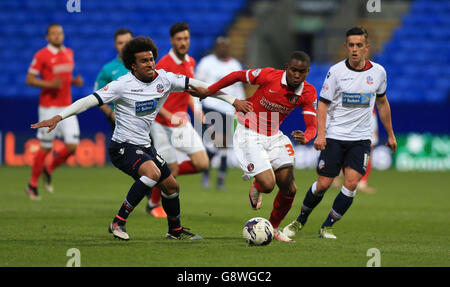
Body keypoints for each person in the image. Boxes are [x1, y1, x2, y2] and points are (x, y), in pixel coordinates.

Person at [30, 36, 252, 241]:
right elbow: (89, 100)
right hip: (122, 147)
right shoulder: (122, 85)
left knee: (172, 187)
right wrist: (59, 117)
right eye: (144, 60)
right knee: (153, 174)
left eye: (152, 59)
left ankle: (175, 231)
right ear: (133, 65)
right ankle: (118, 222)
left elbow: (201, 85)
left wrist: (233, 101)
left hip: (145, 146)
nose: (150, 63)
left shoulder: (164, 79)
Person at [187, 51, 318, 242]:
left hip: (274, 135)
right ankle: (258, 183)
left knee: (289, 187)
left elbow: (312, 123)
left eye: (302, 71)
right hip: (249, 132)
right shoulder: (269, 75)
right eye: (294, 70)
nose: (297, 75)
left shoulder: (308, 91)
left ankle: (273, 228)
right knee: (268, 185)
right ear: (286, 67)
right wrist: (209, 91)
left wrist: (307, 136)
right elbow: (237, 76)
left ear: (308, 72)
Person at [282, 27, 397, 239]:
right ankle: (300, 220)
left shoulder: (379, 73)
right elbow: (323, 105)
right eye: (351, 45)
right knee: (324, 184)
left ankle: (327, 226)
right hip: (334, 135)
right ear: (346, 47)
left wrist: (390, 134)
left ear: (366, 48)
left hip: (361, 138)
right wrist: (321, 134)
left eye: (359, 45)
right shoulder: (335, 72)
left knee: (352, 183)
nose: (355, 50)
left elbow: (382, 102)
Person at [146, 22, 209, 217]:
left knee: (202, 164)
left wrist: (196, 109)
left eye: (186, 39)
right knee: (170, 168)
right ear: (172, 41)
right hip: (163, 124)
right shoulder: (163, 64)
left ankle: (163, 177)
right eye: (179, 39)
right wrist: (169, 115)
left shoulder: (190, 61)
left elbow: (188, 89)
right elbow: (153, 98)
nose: (183, 42)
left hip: (182, 122)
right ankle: (153, 203)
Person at [25, 23, 84, 199]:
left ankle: (49, 169)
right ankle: (32, 184)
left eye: (60, 33)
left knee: (72, 147)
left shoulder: (69, 53)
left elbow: (64, 78)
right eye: (53, 33)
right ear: (47, 37)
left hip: (67, 107)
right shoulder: (41, 55)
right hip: (48, 107)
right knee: (45, 146)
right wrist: (48, 84)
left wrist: (74, 81)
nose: (58, 36)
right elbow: (29, 79)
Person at [195, 36, 246, 189]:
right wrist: (198, 108)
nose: (223, 48)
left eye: (225, 45)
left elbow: (238, 88)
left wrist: (242, 108)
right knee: (216, 141)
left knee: (224, 145)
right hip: (211, 106)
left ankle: (219, 178)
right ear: (216, 47)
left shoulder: (235, 64)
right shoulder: (206, 62)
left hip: (229, 109)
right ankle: (206, 173)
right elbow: (198, 83)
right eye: (220, 45)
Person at [94, 28, 133, 130]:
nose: (124, 46)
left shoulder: (144, 63)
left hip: (144, 117)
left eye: (127, 42)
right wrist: (111, 113)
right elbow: (97, 95)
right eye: (121, 43)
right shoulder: (108, 69)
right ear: (115, 45)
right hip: (121, 120)